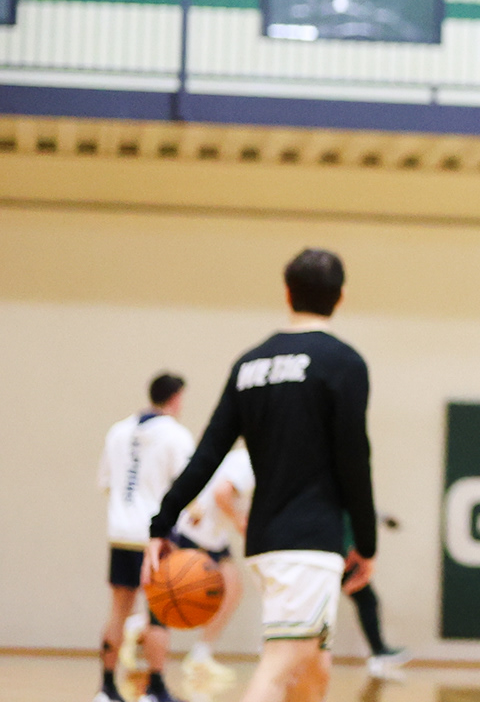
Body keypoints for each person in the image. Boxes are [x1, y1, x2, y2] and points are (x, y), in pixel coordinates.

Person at [144, 249, 378, 702]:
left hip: (265, 543)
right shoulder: (344, 362)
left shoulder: (249, 364)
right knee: (281, 666)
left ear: (287, 293)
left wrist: (163, 521)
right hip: (309, 543)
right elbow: (355, 458)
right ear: (341, 297)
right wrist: (365, 542)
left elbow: (208, 451)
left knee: (314, 671)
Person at [97, 373, 195, 702]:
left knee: (118, 612)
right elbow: (189, 488)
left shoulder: (118, 431)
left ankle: (107, 688)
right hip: (155, 536)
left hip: (120, 532)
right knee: (158, 614)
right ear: (176, 398)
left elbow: (107, 483)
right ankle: (155, 688)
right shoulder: (176, 435)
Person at [172, 443, 254, 692]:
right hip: (198, 532)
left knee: (232, 588)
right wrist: (242, 522)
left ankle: (201, 654)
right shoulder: (248, 461)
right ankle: (138, 627)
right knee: (175, 596)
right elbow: (221, 493)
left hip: (212, 534)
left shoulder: (244, 459)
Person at [342, 513, 410, 679]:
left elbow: (363, 512)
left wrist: (383, 518)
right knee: (367, 600)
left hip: (340, 554)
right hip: (340, 555)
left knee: (367, 600)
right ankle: (379, 652)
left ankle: (378, 652)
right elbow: (359, 511)